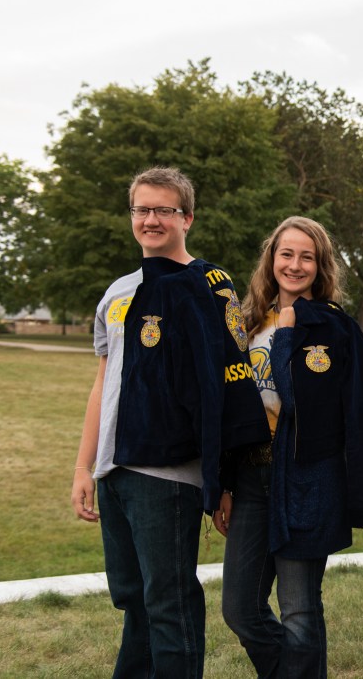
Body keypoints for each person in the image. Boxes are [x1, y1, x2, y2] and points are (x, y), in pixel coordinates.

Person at [70, 166, 268, 678]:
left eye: (164, 210)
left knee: (170, 605)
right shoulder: (117, 294)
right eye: (142, 209)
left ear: (187, 218)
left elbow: (227, 386)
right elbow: (102, 384)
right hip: (115, 471)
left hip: (168, 474)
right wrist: (83, 467)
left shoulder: (207, 285)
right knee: (133, 601)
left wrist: (221, 476)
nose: (151, 219)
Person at [215, 216, 363, 677]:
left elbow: (298, 395)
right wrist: (223, 484)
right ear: (271, 259)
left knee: (300, 611)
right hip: (251, 478)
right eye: (286, 253)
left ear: (321, 266)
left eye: (307, 256)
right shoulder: (245, 324)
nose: (295, 264)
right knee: (239, 608)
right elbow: (231, 411)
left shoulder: (334, 328)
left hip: (309, 477)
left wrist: (288, 331)